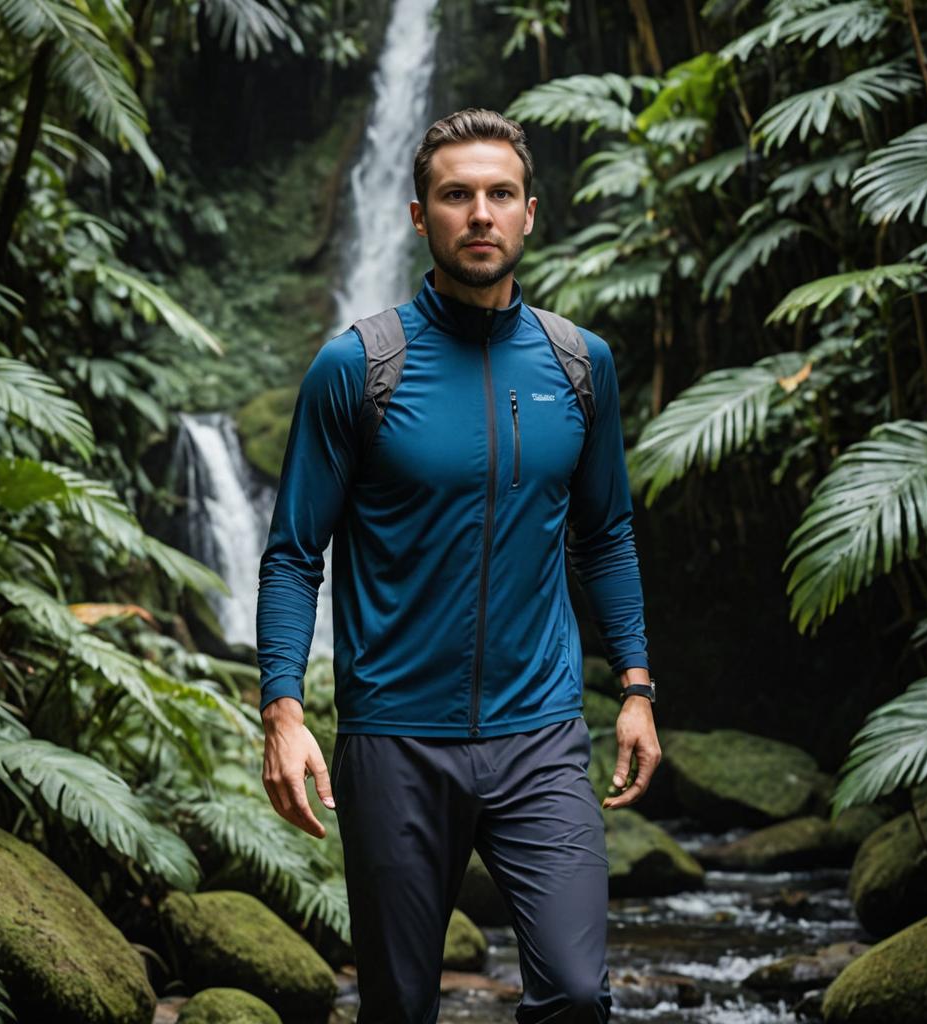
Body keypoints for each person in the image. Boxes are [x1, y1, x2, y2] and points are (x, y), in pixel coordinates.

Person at [256, 107, 660, 1023]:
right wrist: (283, 710)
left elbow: (607, 535)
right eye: (456, 195)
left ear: (529, 215)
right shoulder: (357, 369)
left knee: (576, 997)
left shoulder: (579, 366)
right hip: (397, 741)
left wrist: (636, 686)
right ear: (418, 216)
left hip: (542, 738)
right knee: (399, 1008)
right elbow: (291, 554)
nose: (479, 213)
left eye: (499, 194)